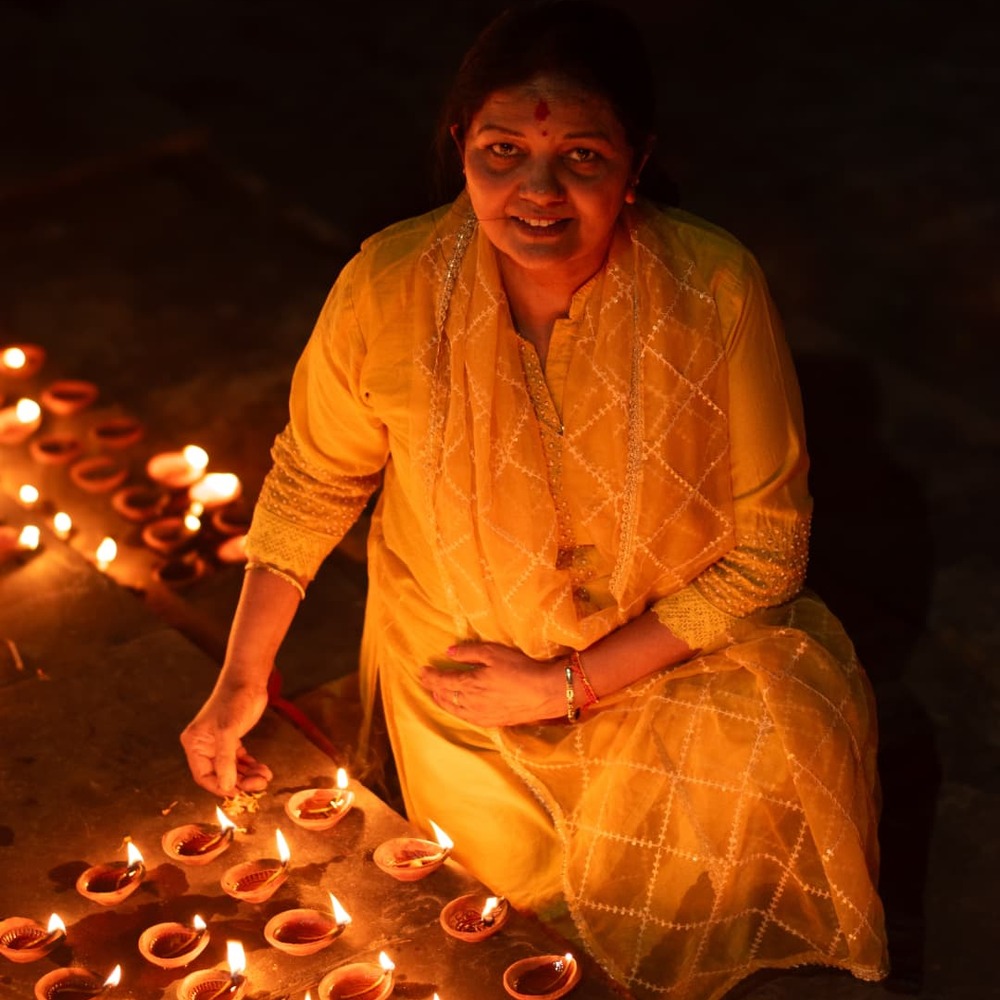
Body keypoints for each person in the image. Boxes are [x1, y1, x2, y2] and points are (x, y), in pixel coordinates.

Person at [181, 2, 889, 996]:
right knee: (511, 901)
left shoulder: (714, 286)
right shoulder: (388, 284)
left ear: (635, 162)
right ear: (460, 146)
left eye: (582, 157)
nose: (537, 192)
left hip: (666, 658)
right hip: (464, 685)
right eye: (502, 150)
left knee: (746, 810)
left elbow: (767, 553)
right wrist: (240, 680)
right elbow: (312, 478)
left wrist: (568, 685)